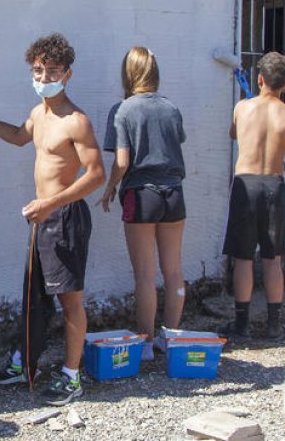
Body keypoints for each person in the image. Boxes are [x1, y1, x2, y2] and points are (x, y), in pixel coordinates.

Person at [0, 33, 105, 406]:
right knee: (34, 298)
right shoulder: (39, 113)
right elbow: (18, 136)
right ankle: (25, 363)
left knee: (71, 301)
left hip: (65, 217)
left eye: (51, 71)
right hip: (42, 217)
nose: (42, 77)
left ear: (67, 74)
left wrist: (52, 202)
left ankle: (72, 377)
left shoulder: (77, 121)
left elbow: (96, 174)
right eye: (38, 70)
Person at [221, 52, 285, 341]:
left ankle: (242, 324)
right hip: (273, 186)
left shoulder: (242, 107)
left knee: (242, 257)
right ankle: (273, 324)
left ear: (259, 78)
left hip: (245, 185)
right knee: (273, 257)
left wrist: (248, 110)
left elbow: (233, 134)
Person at [99, 47, 187, 359]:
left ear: (129, 73)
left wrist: (110, 188)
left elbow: (122, 161)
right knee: (174, 271)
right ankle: (173, 337)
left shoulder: (123, 110)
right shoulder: (171, 107)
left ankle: (147, 343)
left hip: (141, 194)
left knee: (145, 275)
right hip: (174, 193)